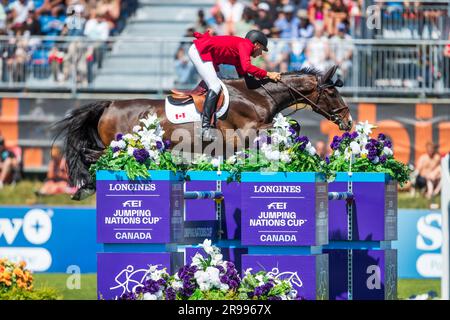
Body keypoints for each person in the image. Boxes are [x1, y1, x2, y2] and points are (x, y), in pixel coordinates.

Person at [188, 29, 281, 140]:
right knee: (215, 86)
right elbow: (247, 67)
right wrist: (268, 74)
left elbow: (244, 75)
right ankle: (205, 128)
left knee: (222, 84)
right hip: (200, 52)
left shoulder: (241, 48)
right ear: (256, 45)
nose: (261, 53)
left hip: (204, 53)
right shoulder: (246, 45)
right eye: (262, 49)